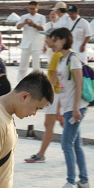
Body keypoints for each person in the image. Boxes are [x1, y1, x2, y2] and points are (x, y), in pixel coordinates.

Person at [51, 28, 90, 188]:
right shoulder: (61, 60)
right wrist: (59, 108)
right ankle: (84, 182)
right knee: (76, 145)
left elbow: (79, 84)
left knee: (66, 143)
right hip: (67, 107)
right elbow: (62, 87)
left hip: (76, 107)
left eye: (55, 40)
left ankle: (70, 182)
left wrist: (75, 108)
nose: (53, 44)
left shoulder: (74, 59)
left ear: (64, 40)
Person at [25, 33, 62, 163]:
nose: (45, 41)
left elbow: (54, 78)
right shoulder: (56, 54)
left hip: (56, 93)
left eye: (47, 38)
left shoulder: (57, 55)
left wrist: (47, 96)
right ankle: (73, 147)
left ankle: (41, 154)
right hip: (57, 93)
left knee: (50, 124)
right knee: (56, 123)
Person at [15, 1, 47, 81]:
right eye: (30, 9)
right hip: (26, 43)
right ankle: (20, 82)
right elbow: (18, 27)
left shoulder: (41, 17)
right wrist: (24, 23)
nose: (31, 10)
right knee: (23, 65)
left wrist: (34, 25)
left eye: (33, 9)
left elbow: (43, 29)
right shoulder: (24, 17)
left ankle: (37, 82)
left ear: (37, 8)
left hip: (36, 44)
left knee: (36, 66)